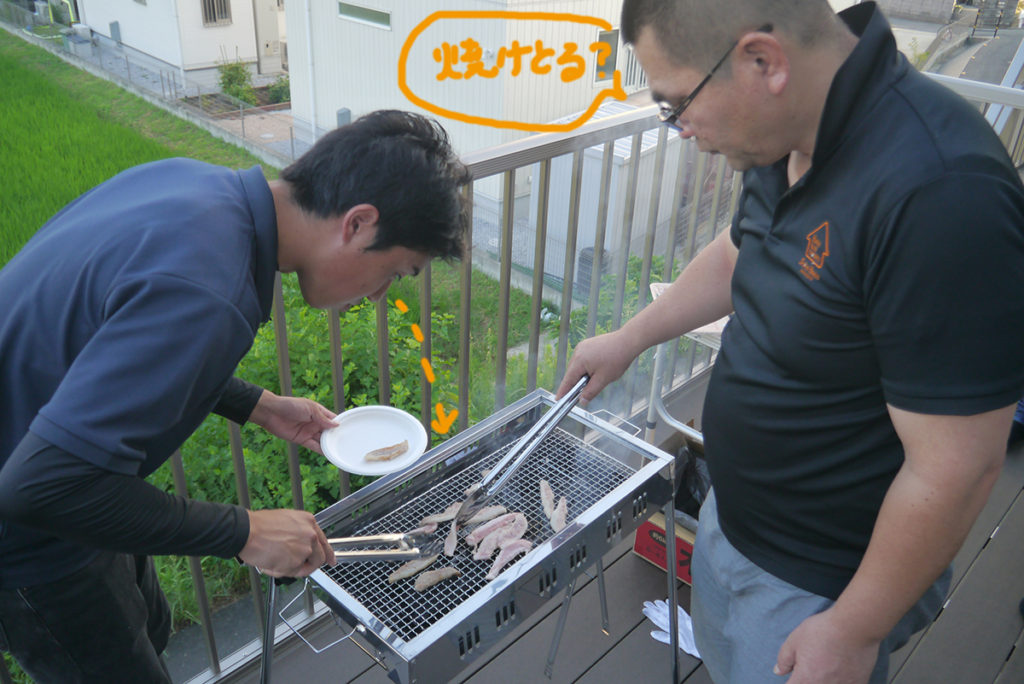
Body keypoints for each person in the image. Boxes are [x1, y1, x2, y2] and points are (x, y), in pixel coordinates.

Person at [557, 1, 1024, 682]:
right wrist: (629, 338)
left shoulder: (941, 194)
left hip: (821, 582)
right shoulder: (789, 132)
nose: (681, 128)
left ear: (763, 61)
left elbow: (957, 467)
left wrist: (855, 628)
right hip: (734, 514)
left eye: (677, 103)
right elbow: (740, 252)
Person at [0, 109, 471, 683]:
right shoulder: (209, 288)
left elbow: (125, 340)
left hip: (72, 463)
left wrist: (258, 405)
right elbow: (36, 488)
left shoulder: (195, 185)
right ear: (357, 224)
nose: (379, 295)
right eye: (396, 272)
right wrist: (245, 532)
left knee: (150, 627)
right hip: (35, 532)